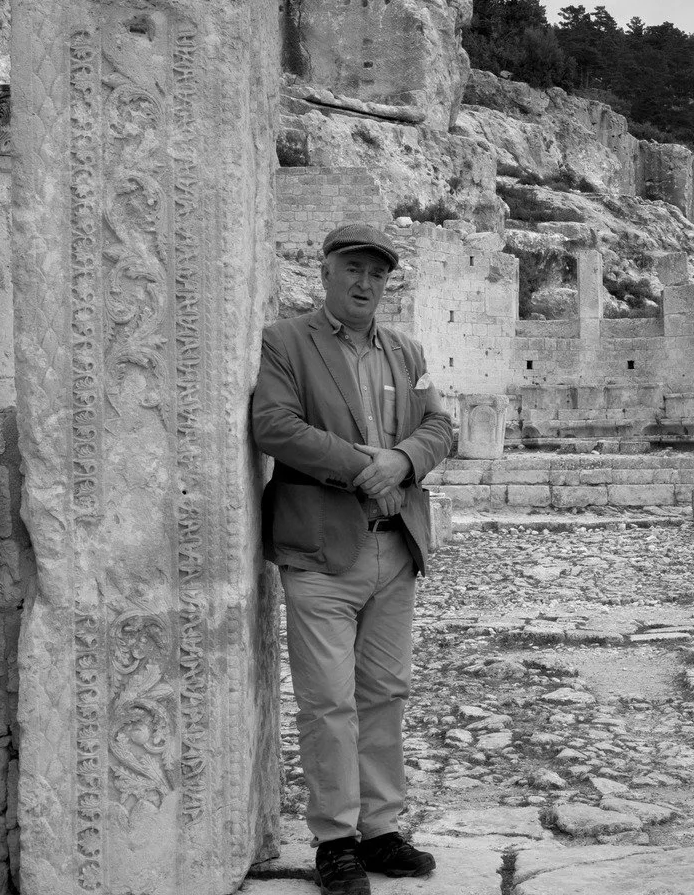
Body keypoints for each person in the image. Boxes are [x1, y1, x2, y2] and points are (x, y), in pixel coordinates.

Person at [252, 223, 454, 895]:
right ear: (327, 272)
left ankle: (381, 829)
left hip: (395, 547)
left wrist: (401, 460)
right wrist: (363, 470)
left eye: (377, 273)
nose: (366, 283)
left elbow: (439, 426)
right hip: (321, 550)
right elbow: (274, 426)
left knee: (385, 693)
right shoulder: (286, 341)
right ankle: (335, 840)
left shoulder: (407, 350)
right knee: (327, 702)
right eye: (353, 270)